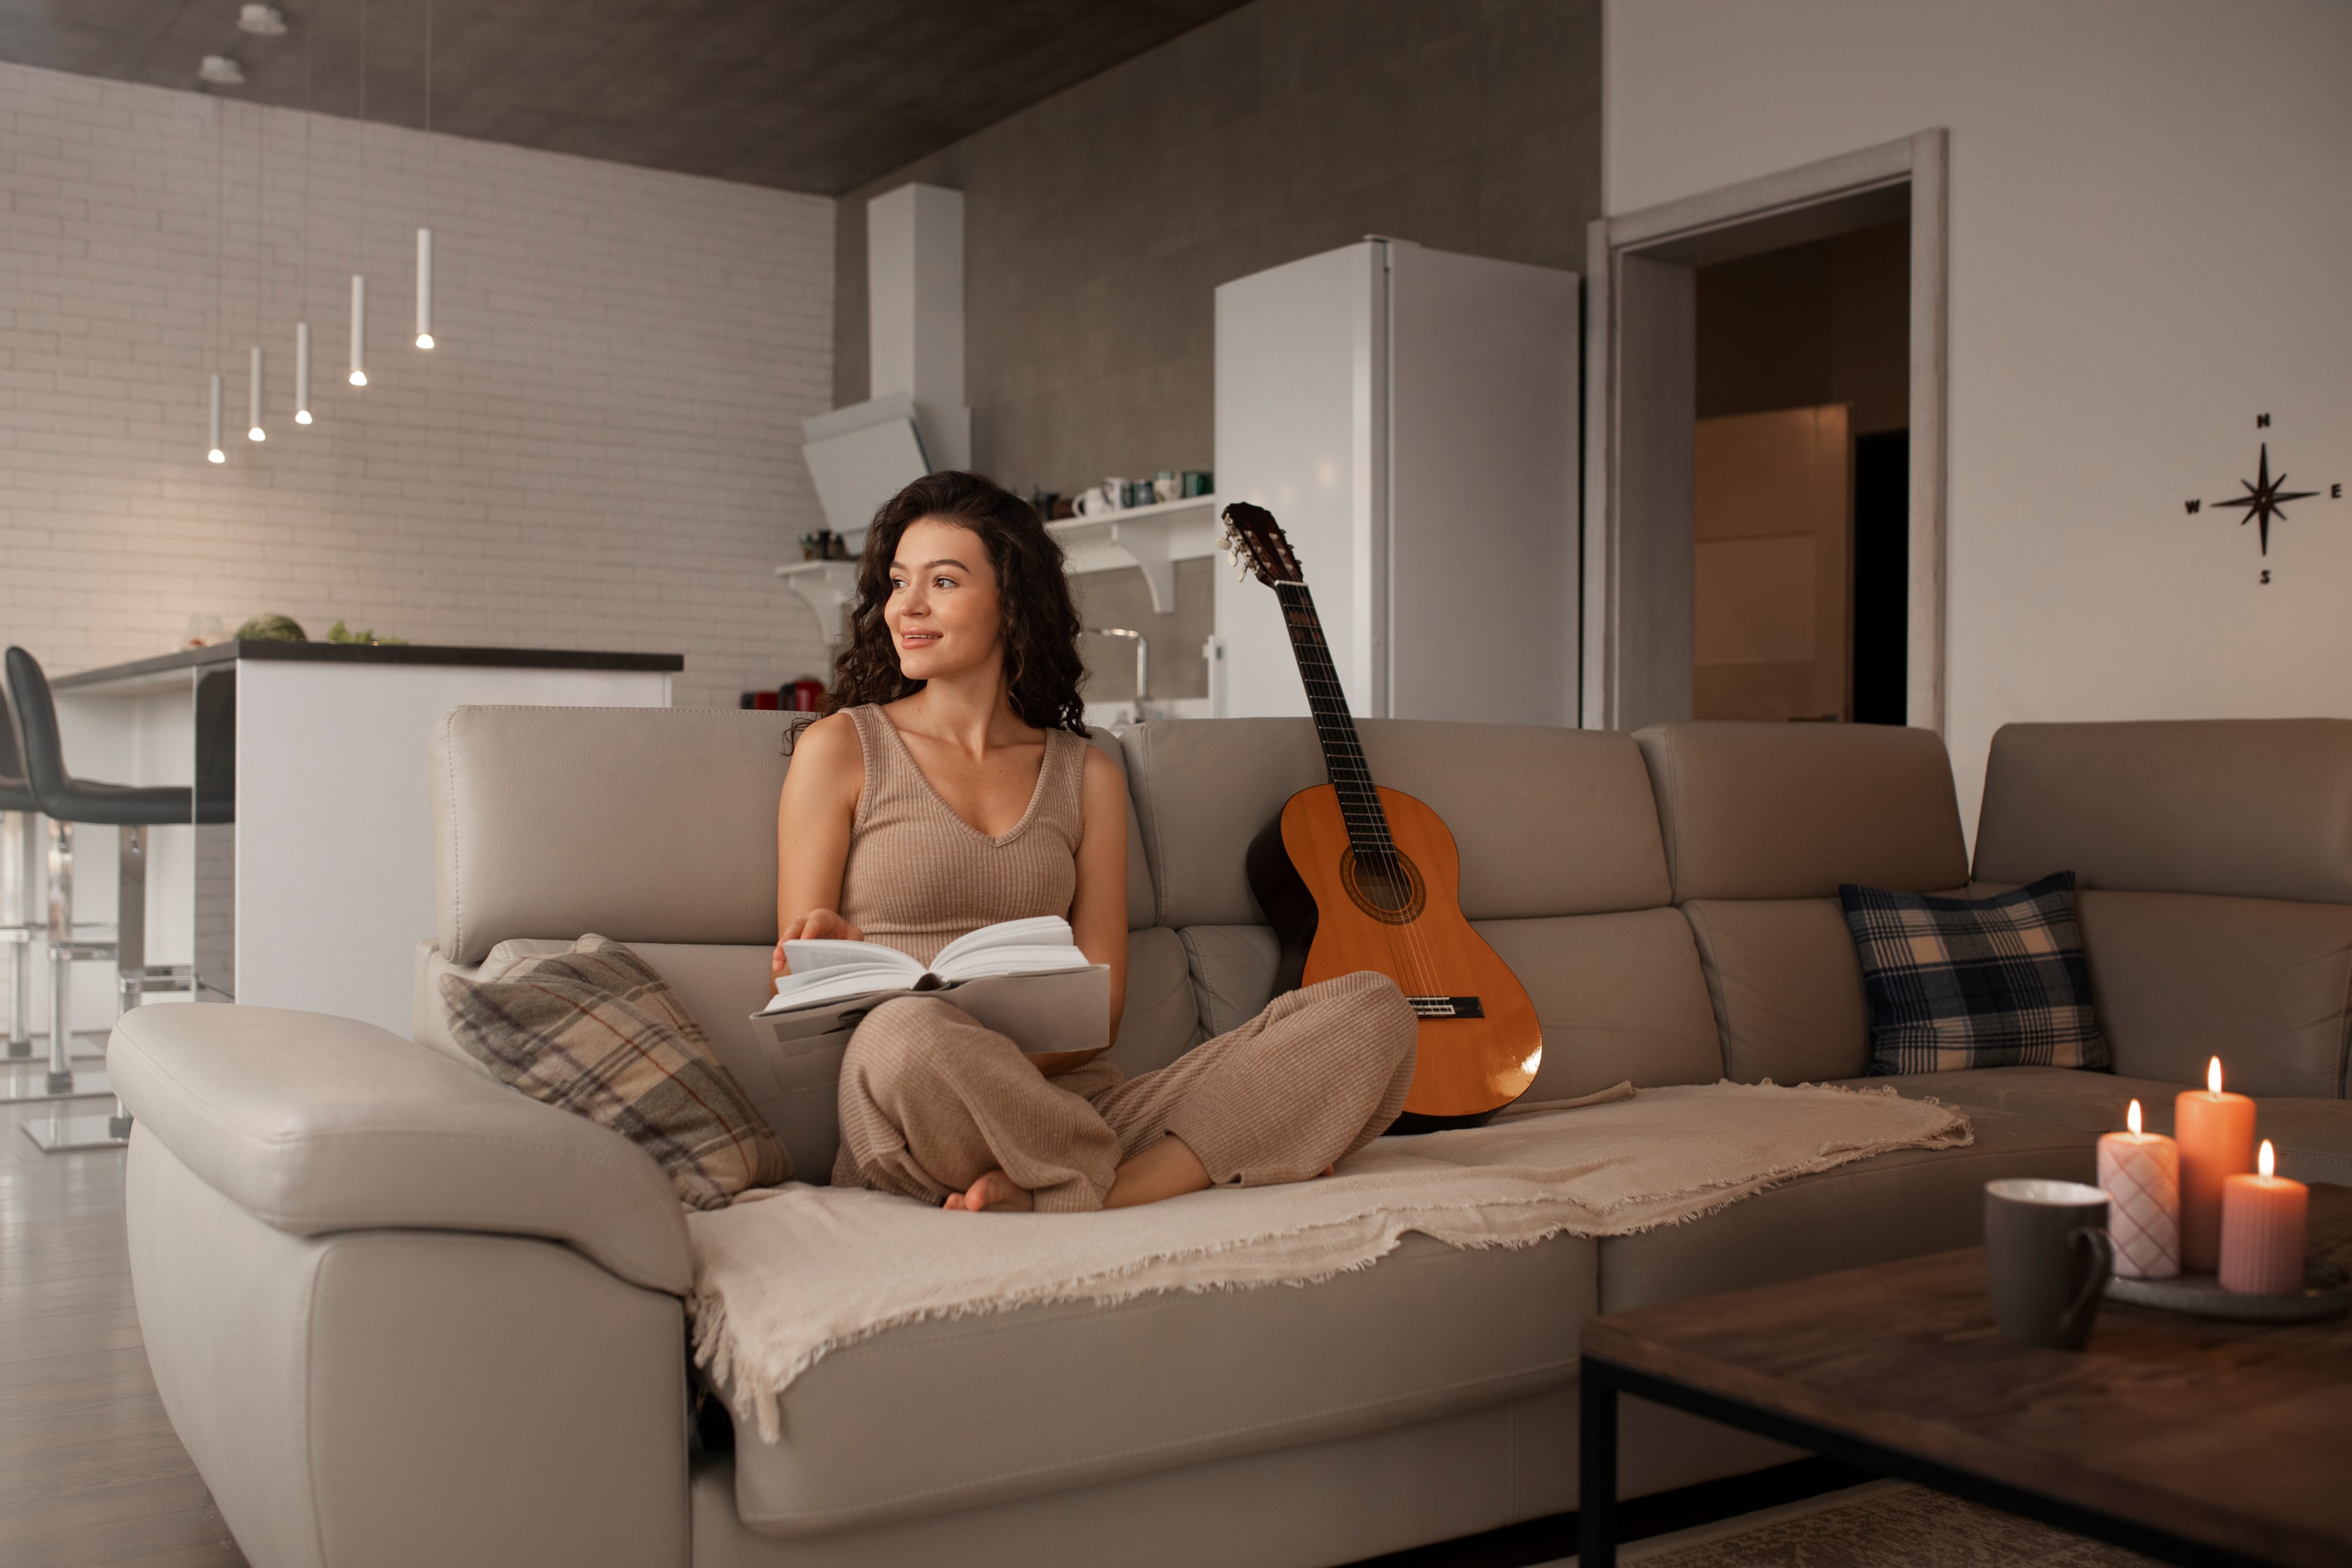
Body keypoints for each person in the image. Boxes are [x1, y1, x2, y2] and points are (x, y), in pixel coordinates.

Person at [774, 471, 1417, 1213]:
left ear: (1012, 604)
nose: (906, 608)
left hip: (1075, 1104)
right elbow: (791, 992)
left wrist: (1012, 1065)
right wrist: (827, 950)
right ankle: (1160, 1170)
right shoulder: (841, 747)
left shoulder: (1087, 774)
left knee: (1374, 1008)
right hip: (922, 1097)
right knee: (905, 1034)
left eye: (942, 581)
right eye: (896, 582)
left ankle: (1083, 1187)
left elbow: (1099, 1013)